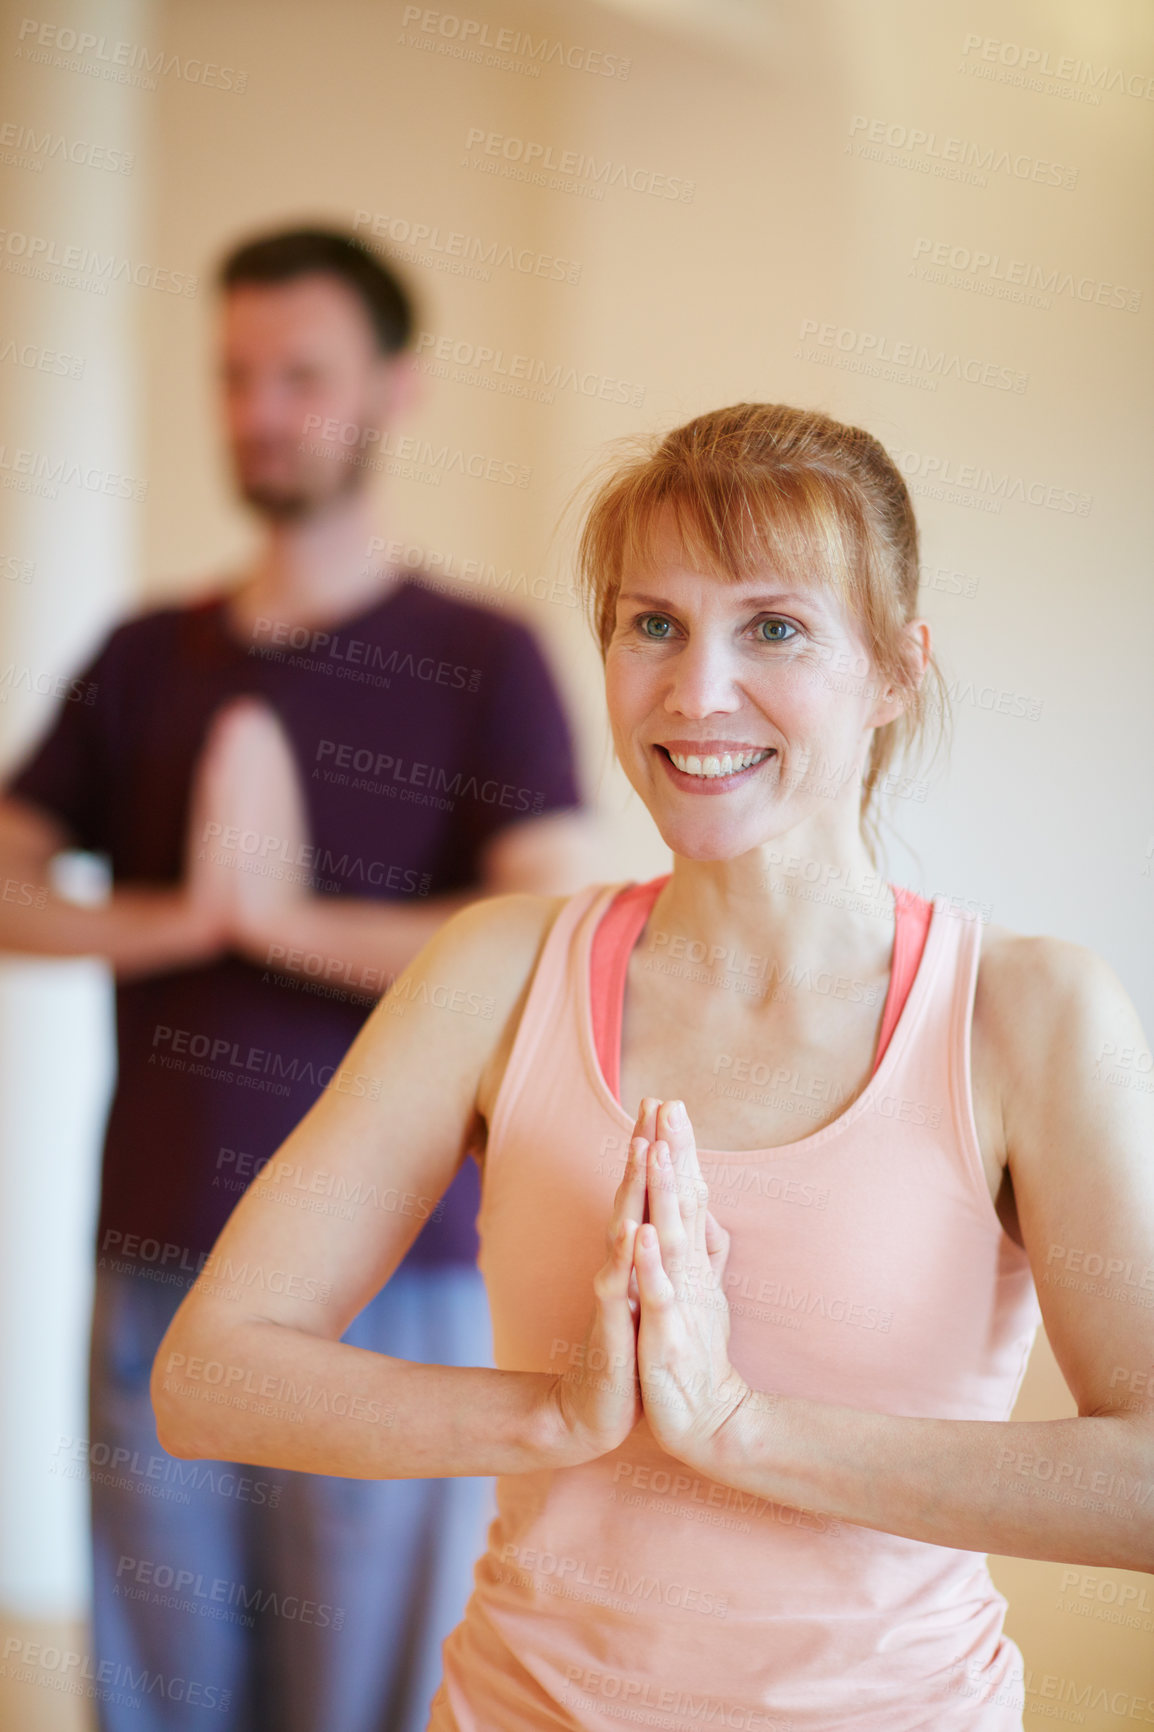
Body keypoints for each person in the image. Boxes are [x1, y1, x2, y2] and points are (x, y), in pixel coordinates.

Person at [151, 402, 1153, 1731]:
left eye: (774, 628)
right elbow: (208, 1379)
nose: (695, 692)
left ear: (896, 670)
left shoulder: (1026, 1015)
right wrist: (553, 1420)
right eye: (652, 624)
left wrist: (736, 1428)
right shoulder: (499, 971)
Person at [0, 226, 598, 1732]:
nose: (262, 411)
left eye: (303, 377)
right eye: (237, 377)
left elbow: (544, 943)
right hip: (158, 1256)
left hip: (395, 1277)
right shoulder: (146, 656)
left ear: (395, 390)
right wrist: (191, 916)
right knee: (160, 1700)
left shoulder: (483, 656)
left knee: (365, 1701)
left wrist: (280, 921)